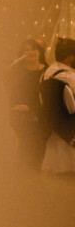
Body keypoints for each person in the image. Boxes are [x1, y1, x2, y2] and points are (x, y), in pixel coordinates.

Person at [6, 38, 49, 167]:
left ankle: (33, 164)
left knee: (37, 128)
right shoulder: (16, 71)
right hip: (20, 111)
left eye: (34, 49)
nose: (31, 53)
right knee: (24, 125)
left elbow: (49, 97)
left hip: (41, 110)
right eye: (27, 50)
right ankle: (26, 164)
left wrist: (31, 107)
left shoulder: (48, 72)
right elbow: (12, 93)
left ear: (40, 51)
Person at [40, 37, 75, 173]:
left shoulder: (47, 73)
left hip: (54, 132)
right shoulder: (69, 77)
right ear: (70, 58)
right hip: (69, 132)